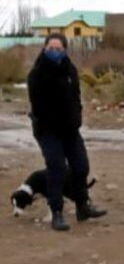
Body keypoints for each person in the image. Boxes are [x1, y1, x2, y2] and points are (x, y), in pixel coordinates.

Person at [27, 33, 107, 231]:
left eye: (58, 48)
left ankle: (83, 205)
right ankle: (57, 211)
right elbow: (38, 104)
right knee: (56, 168)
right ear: (45, 48)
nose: (54, 52)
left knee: (81, 166)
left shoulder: (70, 69)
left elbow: (76, 96)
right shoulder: (37, 73)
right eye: (50, 48)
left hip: (70, 129)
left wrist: (77, 116)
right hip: (48, 130)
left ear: (64, 50)